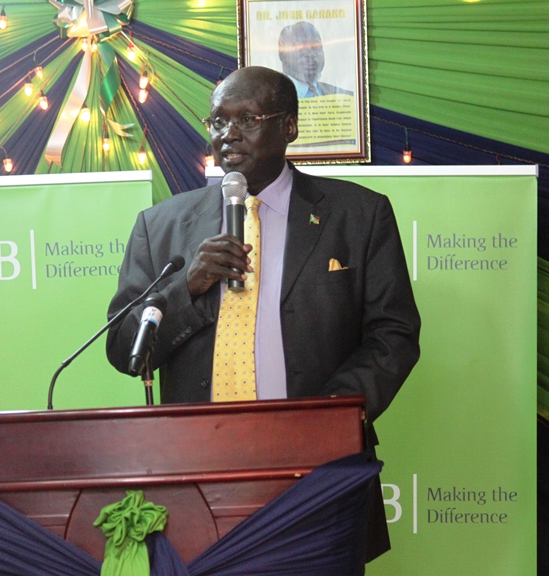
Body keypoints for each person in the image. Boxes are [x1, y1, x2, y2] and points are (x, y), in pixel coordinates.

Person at [106, 66, 420, 561]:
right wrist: (187, 285)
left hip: (316, 471)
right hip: (196, 478)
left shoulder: (357, 215)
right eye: (217, 121)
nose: (227, 135)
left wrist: (327, 417)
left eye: (246, 119)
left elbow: (394, 335)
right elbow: (126, 350)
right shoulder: (161, 226)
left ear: (288, 127)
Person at [278, 21, 353, 98]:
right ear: (282, 54)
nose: (310, 54)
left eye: (316, 46)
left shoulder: (347, 98)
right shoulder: (269, 98)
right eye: (300, 47)